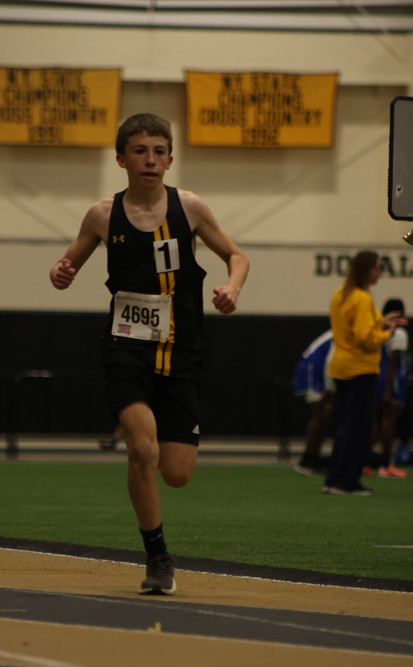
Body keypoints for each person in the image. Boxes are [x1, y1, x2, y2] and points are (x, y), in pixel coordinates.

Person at [49, 113, 249, 594]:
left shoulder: (190, 207)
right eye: (140, 151)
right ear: (121, 159)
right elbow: (66, 265)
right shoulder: (102, 215)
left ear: (170, 159)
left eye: (159, 152)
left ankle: (154, 482)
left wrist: (232, 288)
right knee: (142, 449)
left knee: (176, 474)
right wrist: (60, 273)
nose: (151, 160)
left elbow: (237, 256)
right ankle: (158, 556)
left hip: (182, 350)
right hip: (126, 346)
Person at [324, 251, 406, 496]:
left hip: (341, 366)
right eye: (377, 268)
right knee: (358, 428)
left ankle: (333, 479)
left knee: (346, 426)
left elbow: (354, 328)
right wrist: (387, 334)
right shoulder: (362, 298)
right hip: (360, 368)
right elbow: (364, 338)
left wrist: (380, 322)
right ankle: (347, 482)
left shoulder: (341, 293)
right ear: (366, 270)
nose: (380, 273)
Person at [371, 298, 410, 478]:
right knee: (388, 421)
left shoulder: (378, 330)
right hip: (392, 381)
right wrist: (388, 391)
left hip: (376, 377)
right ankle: (386, 464)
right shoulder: (399, 333)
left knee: (375, 422)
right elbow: (393, 363)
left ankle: (365, 461)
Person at [291, 329, 334, 476]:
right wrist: (327, 392)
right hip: (312, 369)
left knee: (322, 417)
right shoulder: (342, 333)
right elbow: (330, 363)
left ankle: (313, 458)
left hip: (317, 370)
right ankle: (307, 460)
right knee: (319, 415)